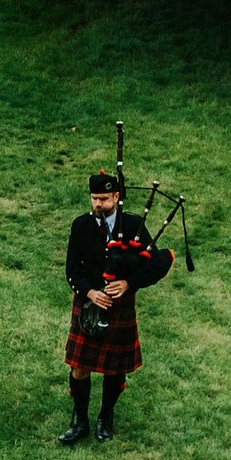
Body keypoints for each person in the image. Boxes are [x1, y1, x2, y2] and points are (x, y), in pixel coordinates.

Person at [59, 171, 171, 445]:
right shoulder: (81, 225)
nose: (98, 204)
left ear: (117, 197)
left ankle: (105, 417)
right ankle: (80, 420)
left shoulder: (133, 225)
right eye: (94, 198)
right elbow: (72, 268)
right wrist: (89, 292)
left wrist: (129, 283)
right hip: (88, 305)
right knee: (79, 366)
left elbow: (159, 261)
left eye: (104, 199)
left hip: (119, 308)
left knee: (113, 368)